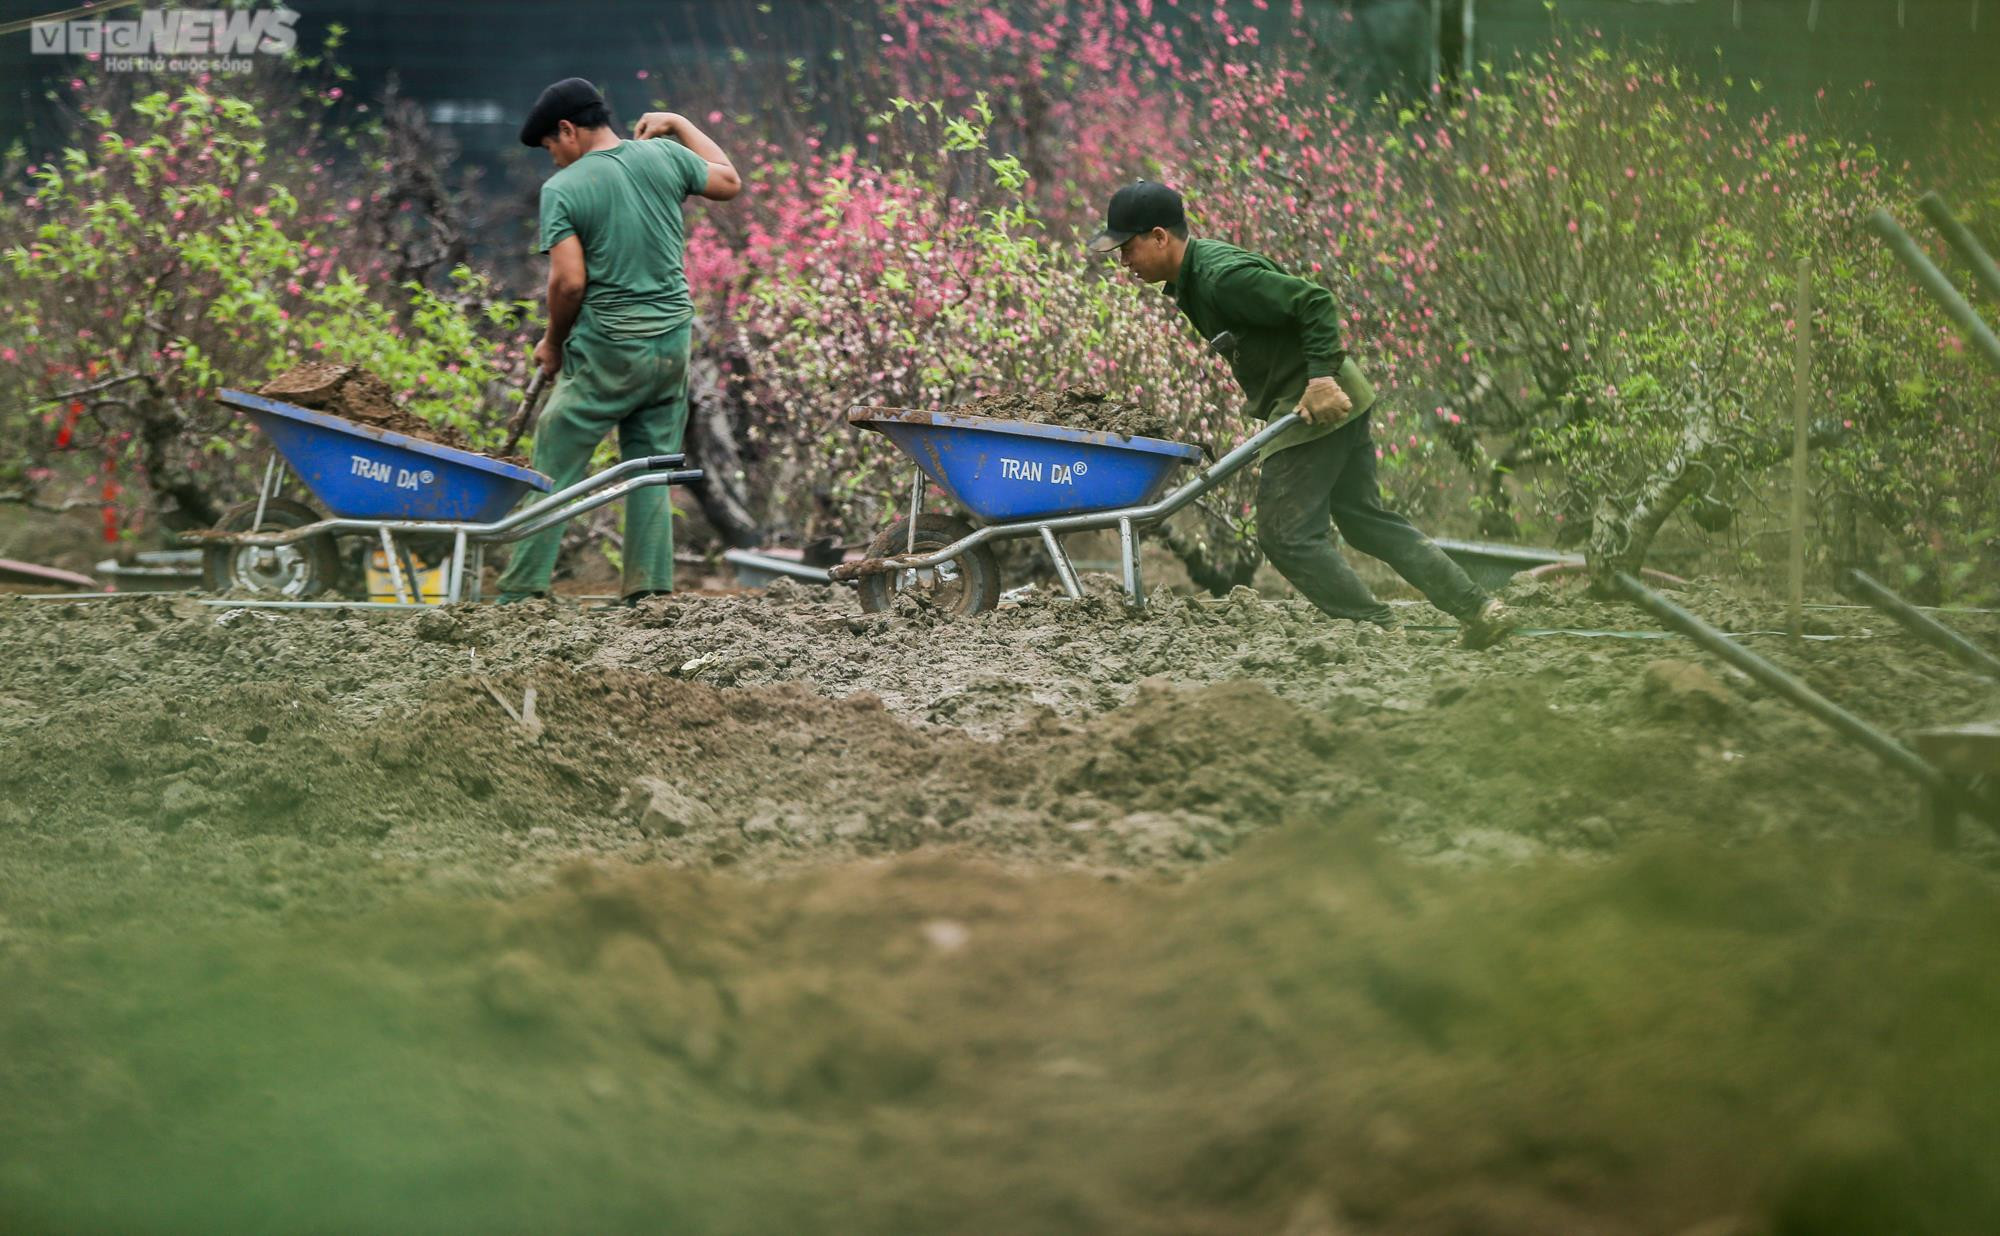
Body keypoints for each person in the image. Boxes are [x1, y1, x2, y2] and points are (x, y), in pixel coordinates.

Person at [1089, 181, 1513, 648]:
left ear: (1159, 237)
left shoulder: (1221, 278)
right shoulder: (1194, 278)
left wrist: (1320, 380)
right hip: (1335, 393)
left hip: (1314, 400)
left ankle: (1376, 629)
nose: (1123, 262)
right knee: (1364, 521)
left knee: (1284, 534)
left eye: (1127, 248)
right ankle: (1479, 609)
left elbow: (1314, 302)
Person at [498, 77, 742, 603]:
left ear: (568, 129)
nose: (553, 159)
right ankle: (648, 593)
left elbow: (569, 283)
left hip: (610, 345)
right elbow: (728, 179)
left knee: (557, 446)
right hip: (671, 344)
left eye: (550, 147)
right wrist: (679, 124)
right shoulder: (665, 156)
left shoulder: (564, 189)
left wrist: (553, 343)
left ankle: (521, 591)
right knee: (650, 466)